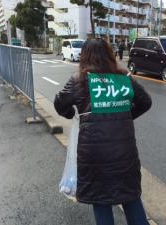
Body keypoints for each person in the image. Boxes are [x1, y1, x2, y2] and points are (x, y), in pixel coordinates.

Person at [54, 38, 152, 225]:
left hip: (94, 156)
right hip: (125, 153)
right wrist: (124, 116)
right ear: (110, 56)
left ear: (85, 57)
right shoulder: (124, 78)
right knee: (130, 197)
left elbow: (60, 104)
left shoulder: (80, 80)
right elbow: (145, 102)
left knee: (101, 201)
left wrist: (70, 114)